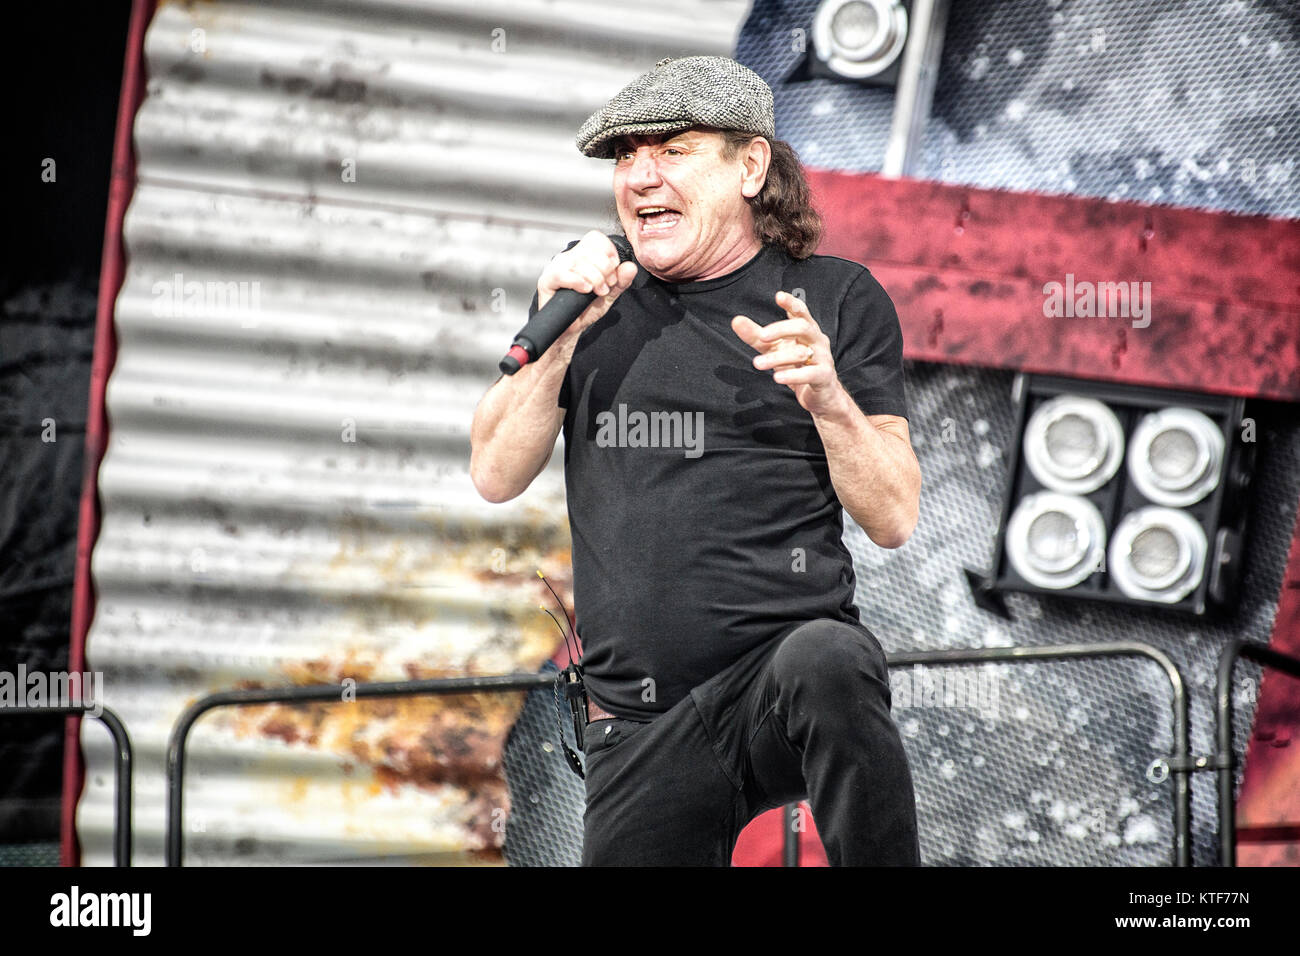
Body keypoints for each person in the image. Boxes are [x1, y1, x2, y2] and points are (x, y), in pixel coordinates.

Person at [470, 56, 922, 866]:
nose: (641, 176)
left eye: (673, 151)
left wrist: (827, 399)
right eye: (625, 157)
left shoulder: (837, 299)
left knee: (831, 659)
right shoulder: (594, 305)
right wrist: (560, 335)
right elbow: (495, 473)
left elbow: (893, 517)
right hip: (637, 720)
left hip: (776, 689)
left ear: (750, 166)